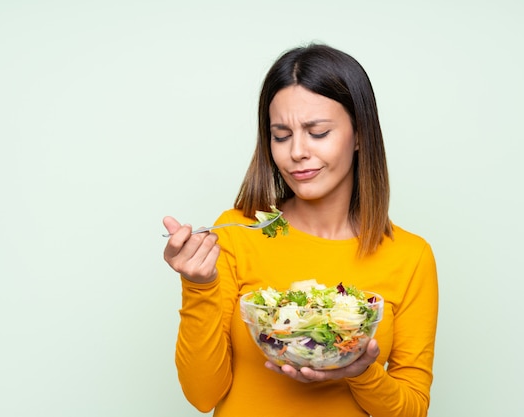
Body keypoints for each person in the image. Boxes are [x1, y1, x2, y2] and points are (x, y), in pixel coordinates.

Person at [163, 43, 438, 417]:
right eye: (281, 135)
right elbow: (202, 395)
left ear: (359, 135)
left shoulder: (409, 256)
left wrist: (360, 372)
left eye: (318, 132)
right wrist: (198, 286)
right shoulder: (238, 233)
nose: (296, 152)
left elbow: (412, 409)